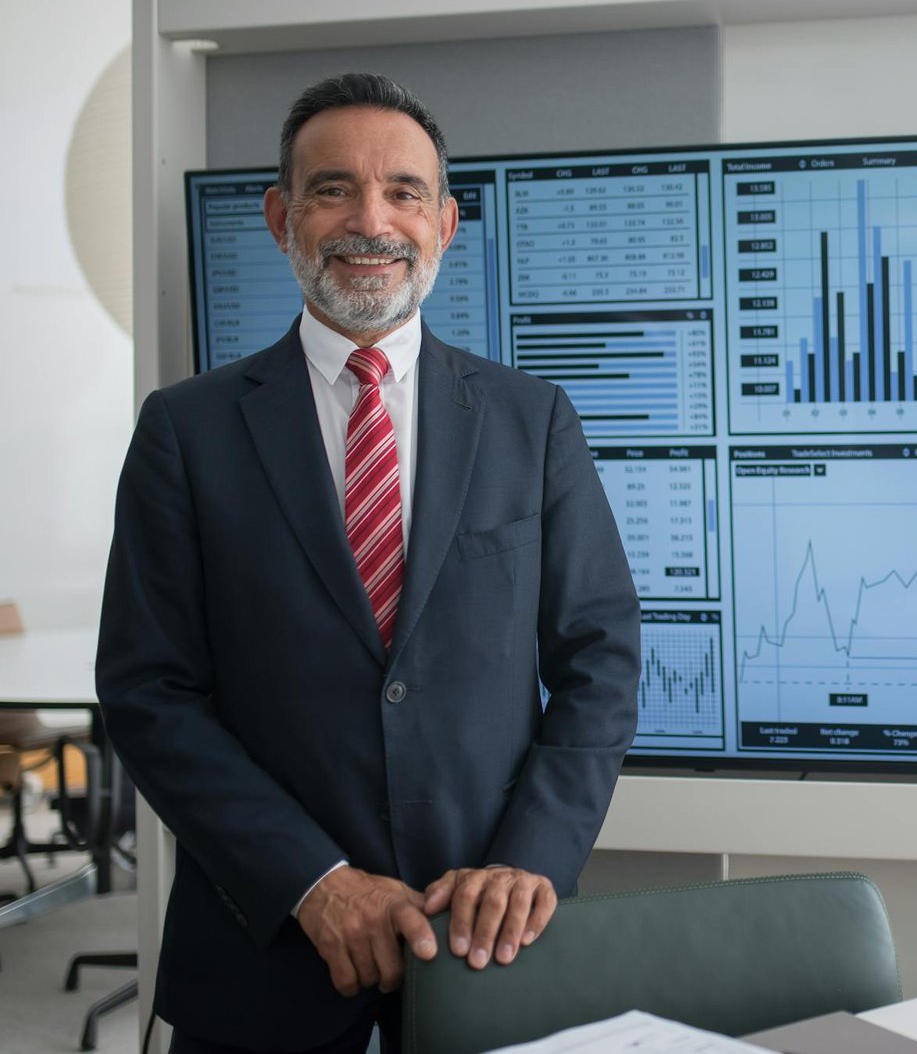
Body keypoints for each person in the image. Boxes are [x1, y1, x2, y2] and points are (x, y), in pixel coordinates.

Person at [96, 72, 641, 1053]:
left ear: (446, 222)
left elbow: (601, 657)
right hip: (265, 957)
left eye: (403, 192)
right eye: (333, 188)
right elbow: (148, 691)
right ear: (281, 216)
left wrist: (532, 861)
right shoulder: (187, 430)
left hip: (490, 947)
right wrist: (313, 881)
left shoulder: (533, 420)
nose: (370, 220)